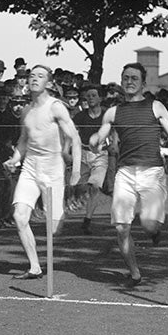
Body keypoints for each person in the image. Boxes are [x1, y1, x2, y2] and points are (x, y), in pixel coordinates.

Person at [88, 62, 168, 287]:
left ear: (143, 82)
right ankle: (135, 273)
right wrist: (94, 142)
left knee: (149, 224)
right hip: (126, 173)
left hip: (152, 171)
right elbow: (99, 136)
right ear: (122, 81)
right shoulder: (113, 112)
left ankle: (153, 230)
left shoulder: (155, 106)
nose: (129, 82)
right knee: (121, 227)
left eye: (134, 78)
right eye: (126, 78)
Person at [3, 65, 82, 279]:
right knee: (20, 216)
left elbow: (74, 138)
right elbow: (22, 142)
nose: (34, 79)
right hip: (30, 167)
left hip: (53, 167)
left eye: (40, 76)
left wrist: (75, 171)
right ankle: (34, 266)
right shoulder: (27, 111)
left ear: (48, 83)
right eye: (31, 76)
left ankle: (55, 231)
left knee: (54, 227)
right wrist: (14, 160)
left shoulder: (56, 107)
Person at [72, 83, 109, 235]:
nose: (91, 98)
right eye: (88, 96)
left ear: (100, 98)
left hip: (101, 154)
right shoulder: (80, 116)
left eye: (94, 95)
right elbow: (72, 133)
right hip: (83, 153)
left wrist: (114, 143)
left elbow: (114, 130)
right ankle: (77, 203)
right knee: (79, 187)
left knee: (95, 186)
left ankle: (87, 220)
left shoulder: (107, 115)